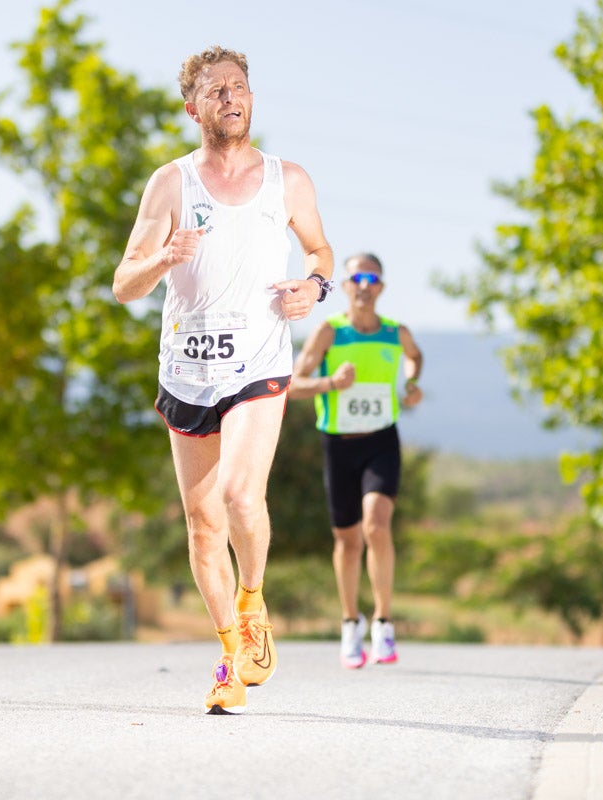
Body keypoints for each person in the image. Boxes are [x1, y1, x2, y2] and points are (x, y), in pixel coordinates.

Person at [113, 45, 334, 714]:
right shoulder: (171, 184)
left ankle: (253, 599)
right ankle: (230, 658)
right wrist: (162, 258)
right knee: (204, 524)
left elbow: (321, 251)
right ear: (192, 108)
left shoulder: (286, 179)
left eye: (239, 87)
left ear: (251, 99)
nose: (231, 98)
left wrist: (314, 286)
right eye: (216, 91)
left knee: (241, 495)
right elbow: (125, 284)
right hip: (187, 368)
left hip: (260, 361)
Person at [289, 253, 423, 668]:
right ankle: (350, 621)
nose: (364, 285)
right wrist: (332, 382)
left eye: (372, 278)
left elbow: (415, 356)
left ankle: (383, 621)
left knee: (375, 525)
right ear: (344, 286)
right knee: (347, 541)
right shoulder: (329, 332)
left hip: (382, 440)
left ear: (381, 286)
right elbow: (294, 383)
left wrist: (413, 382)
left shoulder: (395, 332)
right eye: (356, 278)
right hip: (339, 445)